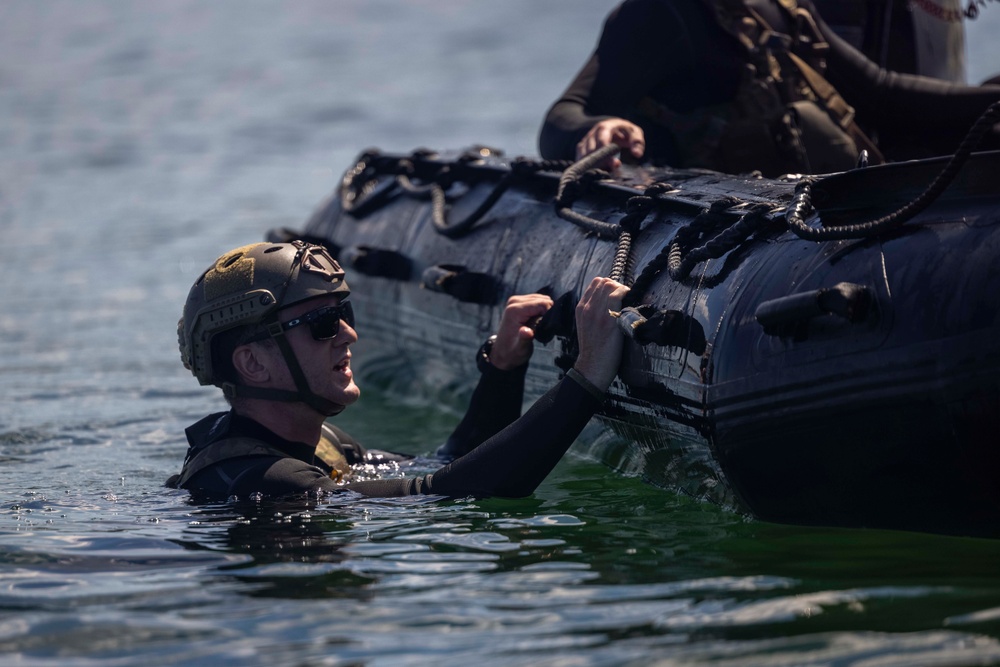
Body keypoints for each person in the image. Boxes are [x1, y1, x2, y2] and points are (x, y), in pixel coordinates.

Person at [167, 240, 628, 499]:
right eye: (323, 324)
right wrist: (586, 376)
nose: (349, 335)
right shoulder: (265, 479)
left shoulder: (323, 445)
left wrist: (503, 368)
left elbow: (447, 462)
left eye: (346, 315)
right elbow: (454, 491)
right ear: (253, 363)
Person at [538, 0, 1000, 176]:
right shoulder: (661, 14)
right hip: (727, 237)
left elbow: (880, 94)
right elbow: (561, 119)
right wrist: (604, 127)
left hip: (815, 207)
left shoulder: (782, 7)